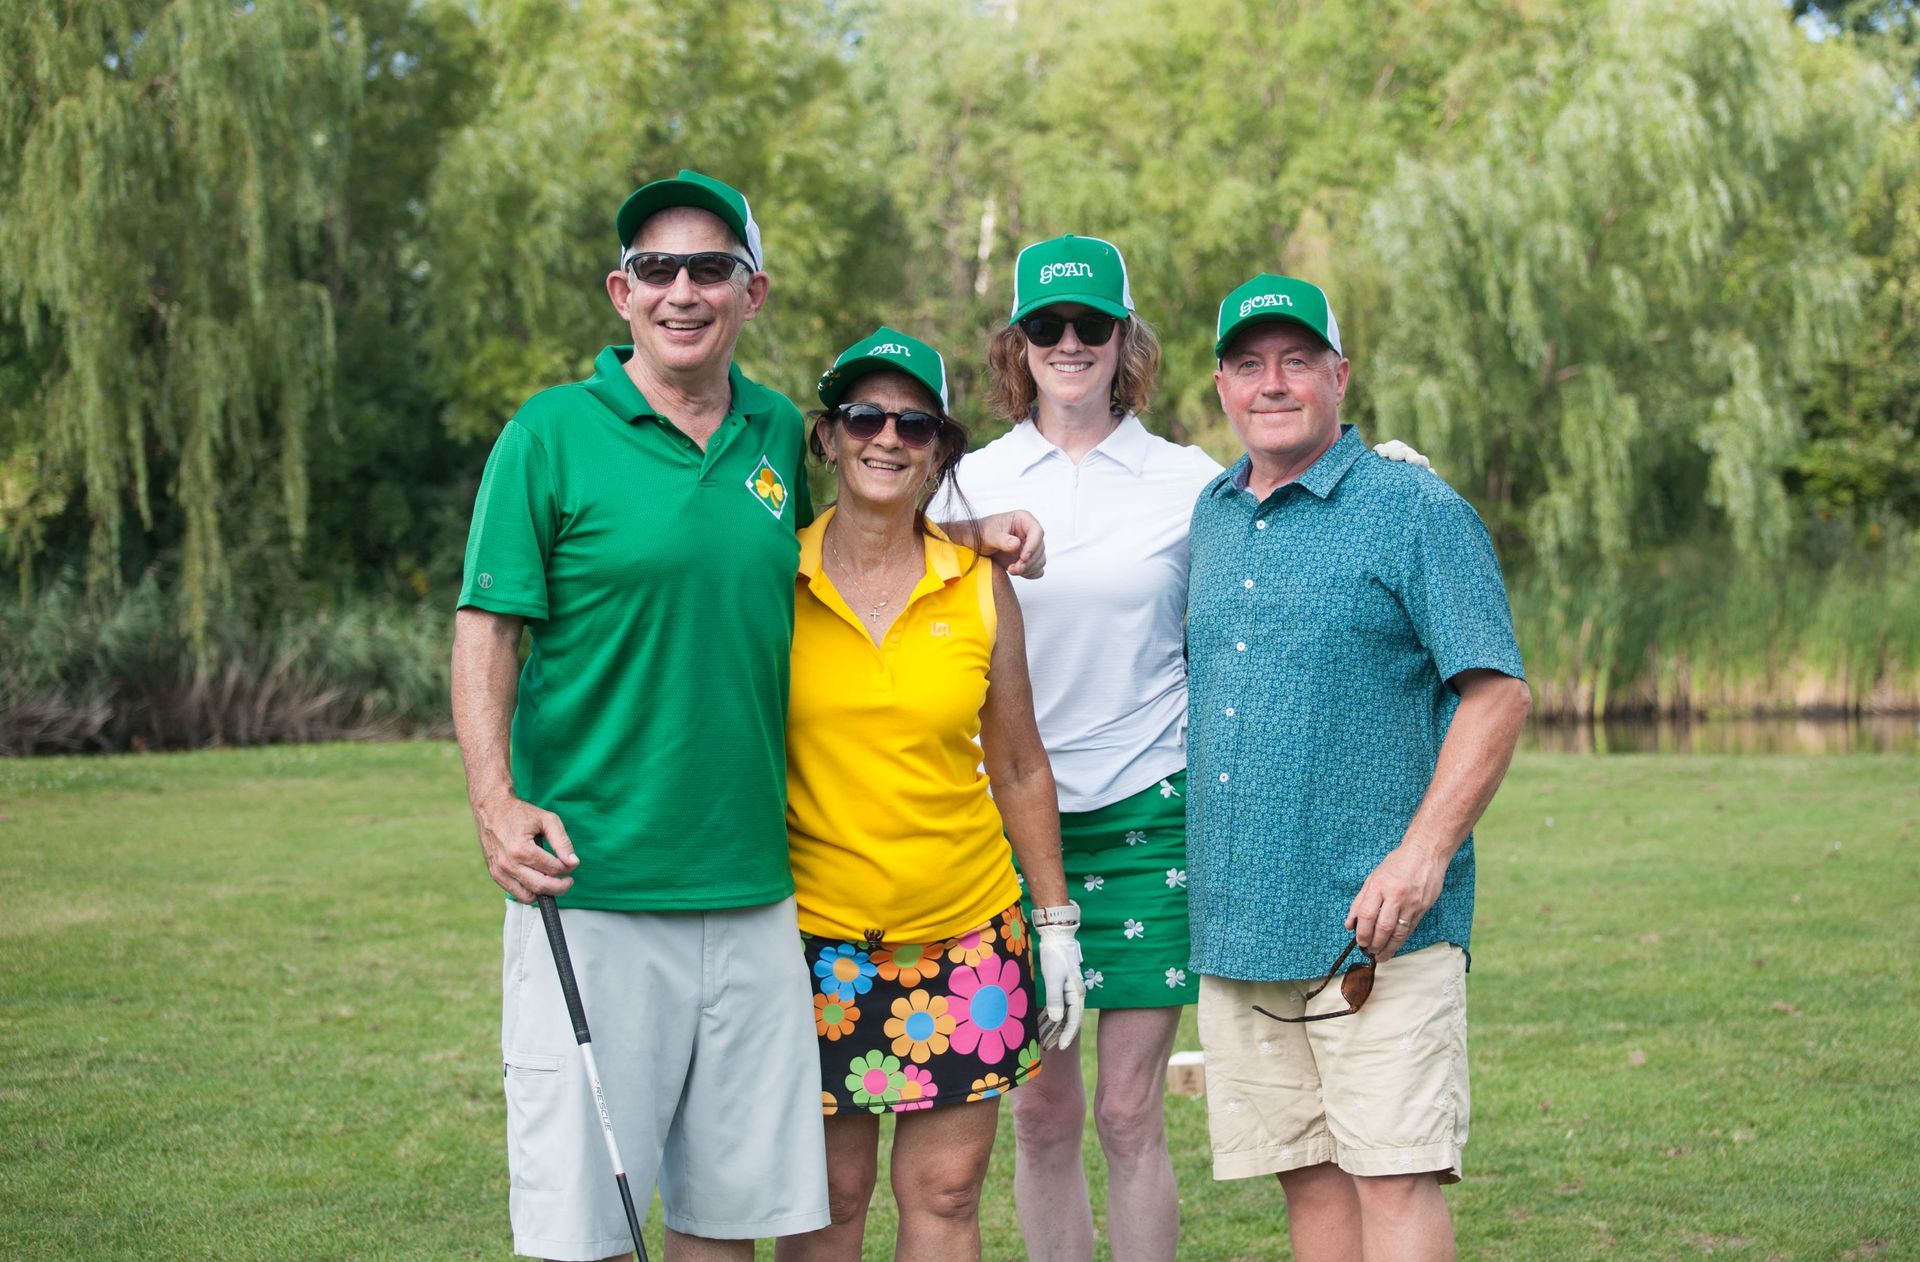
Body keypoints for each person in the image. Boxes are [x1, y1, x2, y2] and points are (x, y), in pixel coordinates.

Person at [450, 172, 1041, 1262]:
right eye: (660, 269)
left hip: (764, 898)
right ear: (620, 291)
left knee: (730, 1218)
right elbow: (488, 623)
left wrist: (973, 527)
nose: (685, 289)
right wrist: (493, 797)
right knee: (593, 1219)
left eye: (710, 268)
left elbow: (872, 530)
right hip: (597, 880)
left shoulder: (774, 430)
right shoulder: (549, 433)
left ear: (751, 291)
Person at [936, 235, 1429, 1262]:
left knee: (1127, 1112)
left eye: (1091, 326)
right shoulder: (964, 481)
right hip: (1006, 822)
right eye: (1046, 327)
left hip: (1150, 808)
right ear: (1018, 345)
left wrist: (1381, 469)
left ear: (1127, 342)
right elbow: (876, 557)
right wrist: (969, 530)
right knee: (1042, 1116)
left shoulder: (1188, 480)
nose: (1069, 344)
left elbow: (1290, 510)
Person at [1184, 273, 1531, 1262]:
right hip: (1245, 922)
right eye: (1250, 364)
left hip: (1382, 926)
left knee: (1393, 1179)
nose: (1274, 382)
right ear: (1222, 386)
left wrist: (1422, 855)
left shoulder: (1413, 505)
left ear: (1341, 373)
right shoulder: (1210, 513)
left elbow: (1497, 692)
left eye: (1298, 360)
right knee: (1312, 1187)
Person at [776, 327, 1086, 1262]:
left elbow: (1022, 762)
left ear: (942, 449)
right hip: (814, 941)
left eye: (915, 424)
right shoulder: (769, 574)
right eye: (863, 416)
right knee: (827, 1198)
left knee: (947, 1194)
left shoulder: (981, 584)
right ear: (827, 437)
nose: (887, 438)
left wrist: (1057, 920)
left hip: (966, 934)